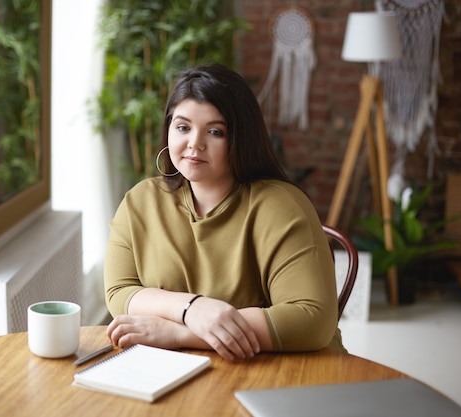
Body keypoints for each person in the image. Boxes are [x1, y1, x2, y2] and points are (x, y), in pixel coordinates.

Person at [104, 63, 345, 360]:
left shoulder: (282, 206)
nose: (195, 144)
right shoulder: (140, 201)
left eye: (215, 131)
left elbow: (312, 320)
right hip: (180, 370)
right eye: (182, 127)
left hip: (283, 372)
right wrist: (192, 308)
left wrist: (183, 334)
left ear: (240, 139)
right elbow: (119, 292)